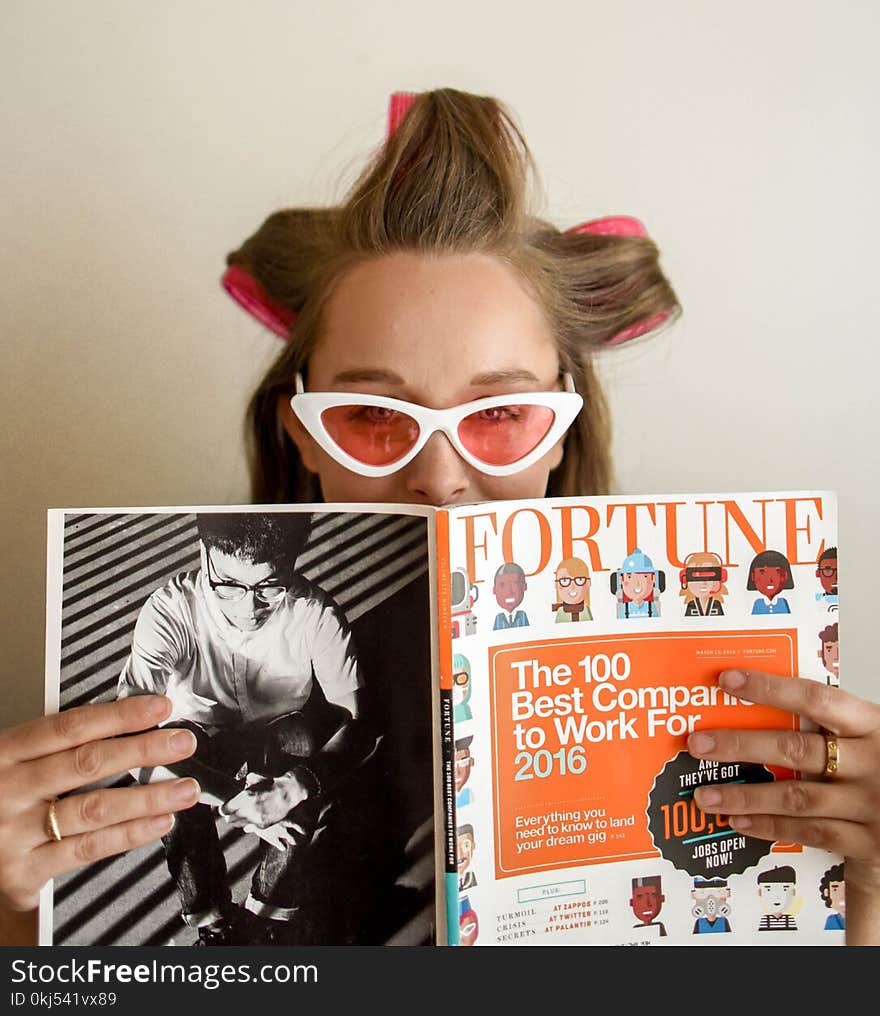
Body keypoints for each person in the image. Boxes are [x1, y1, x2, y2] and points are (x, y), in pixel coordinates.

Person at [2, 87, 880, 948]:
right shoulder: (214, 620)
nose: (440, 478)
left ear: (559, 433)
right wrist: (14, 923)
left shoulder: (733, 672)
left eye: (499, 414)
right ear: (299, 432)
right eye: (374, 415)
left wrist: (865, 917)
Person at [115, 511, 377, 945]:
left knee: (305, 744)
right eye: (228, 586)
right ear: (203, 552)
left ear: (293, 563)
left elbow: (360, 721)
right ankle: (212, 922)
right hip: (201, 737)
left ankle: (271, 915)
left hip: (278, 735)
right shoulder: (170, 610)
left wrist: (296, 785)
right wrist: (234, 801)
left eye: (269, 587)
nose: (247, 607)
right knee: (172, 760)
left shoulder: (314, 610)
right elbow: (128, 741)